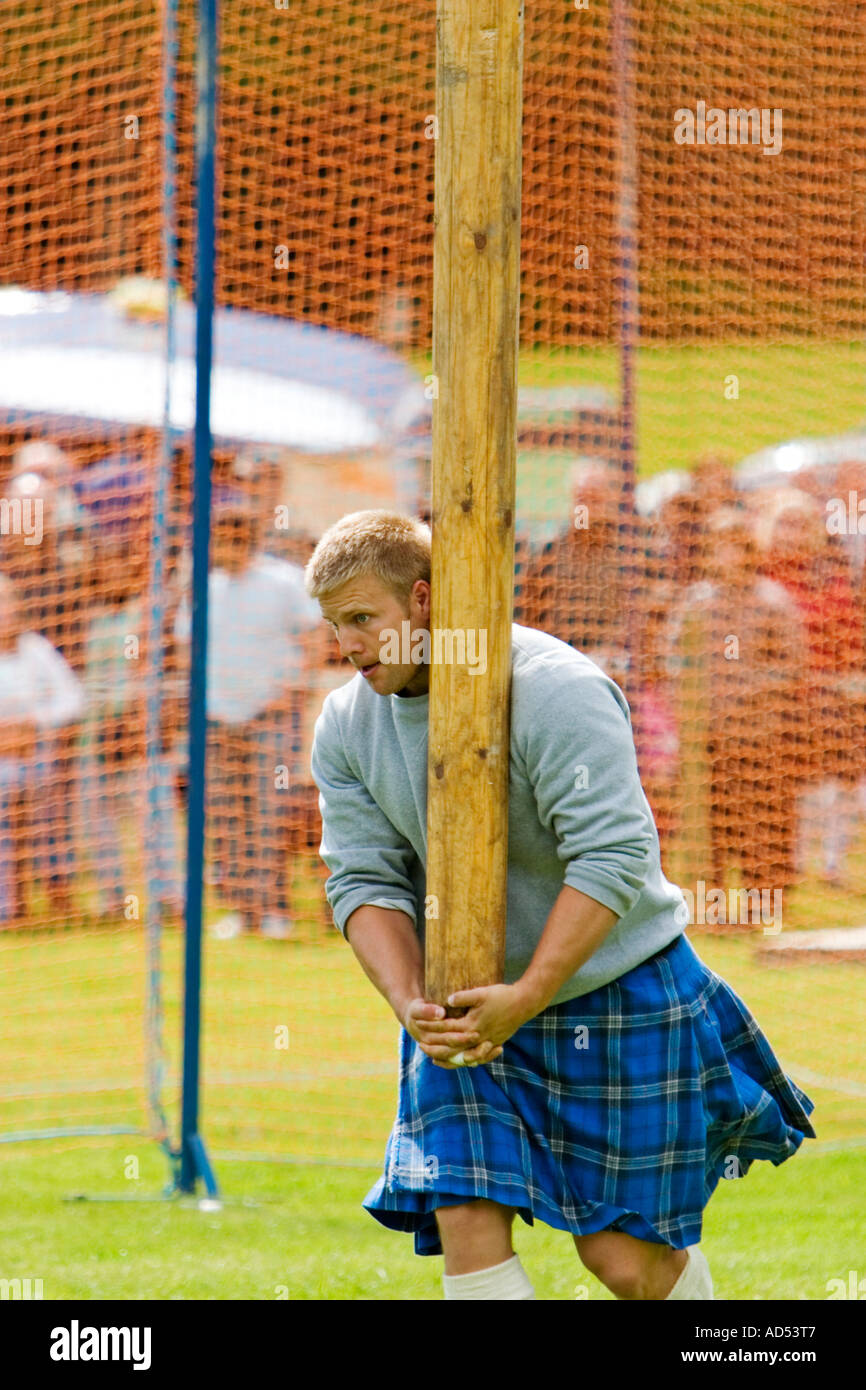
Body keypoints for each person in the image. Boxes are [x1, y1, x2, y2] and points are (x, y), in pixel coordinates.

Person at [306, 509, 815, 1301]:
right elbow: (362, 880)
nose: (347, 643)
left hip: (612, 985)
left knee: (623, 1260)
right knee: (466, 1213)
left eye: (363, 618)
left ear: (426, 599)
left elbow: (613, 857)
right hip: (465, 1001)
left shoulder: (556, 690)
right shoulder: (345, 723)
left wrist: (532, 991)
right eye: (335, 623)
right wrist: (410, 1000)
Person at [174, 490, 327, 937]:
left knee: (269, 812)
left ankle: (273, 907)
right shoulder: (204, 588)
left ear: (246, 539)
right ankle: (241, 909)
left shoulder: (283, 582)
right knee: (225, 814)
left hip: (270, 716)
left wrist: (292, 691)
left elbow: (313, 641)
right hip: (217, 718)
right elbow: (187, 648)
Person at [0, 575, 85, 924]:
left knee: (49, 809)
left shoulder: (35, 649)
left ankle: (57, 891)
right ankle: (8, 905)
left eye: (8, 602)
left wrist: (36, 723)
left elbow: (73, 699)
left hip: (36, 760)